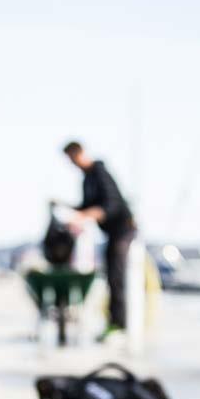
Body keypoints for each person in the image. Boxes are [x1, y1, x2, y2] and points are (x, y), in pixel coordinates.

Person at [62, 140, 136, 336]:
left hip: (123, 229)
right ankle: (115, 321)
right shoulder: (87, 179)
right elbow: (87, 205)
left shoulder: (99, 172)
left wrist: (84, 216)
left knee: (116, 275)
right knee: (111, 275)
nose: (72, 164)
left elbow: (112, 205)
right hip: (111, 233)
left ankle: (120, 325)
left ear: (80, 154)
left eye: (73, 158)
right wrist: (65, 206)